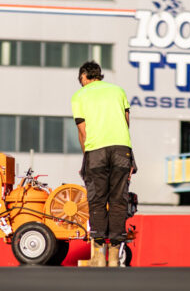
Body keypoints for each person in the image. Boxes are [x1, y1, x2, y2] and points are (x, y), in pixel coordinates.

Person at [71, 61, 135, 267]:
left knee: (97, 200)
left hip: (96, 151)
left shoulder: (79, 96)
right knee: (118, 201)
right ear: (100, 75)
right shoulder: (118, 91)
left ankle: (98, 256)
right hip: (121, 149)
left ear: (83, 77)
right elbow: (126, 121)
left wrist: (87, 156)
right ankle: (114, 258)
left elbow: (83, 131)